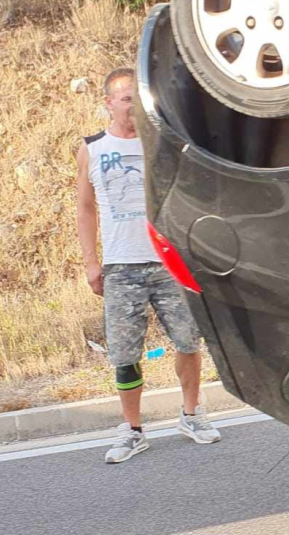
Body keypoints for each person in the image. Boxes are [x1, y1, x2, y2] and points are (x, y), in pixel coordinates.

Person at [76, 67, 220, 463]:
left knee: (189, 341)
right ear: (108, 103)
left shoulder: (160, 143)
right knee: (125, 354)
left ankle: (192, 415)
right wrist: (92, 263)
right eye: (125, 99)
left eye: (138, 98)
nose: (133, 106)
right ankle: (133, 430)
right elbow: (85, 209)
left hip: (169, 262)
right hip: (121, 267)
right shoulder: (93, 149)